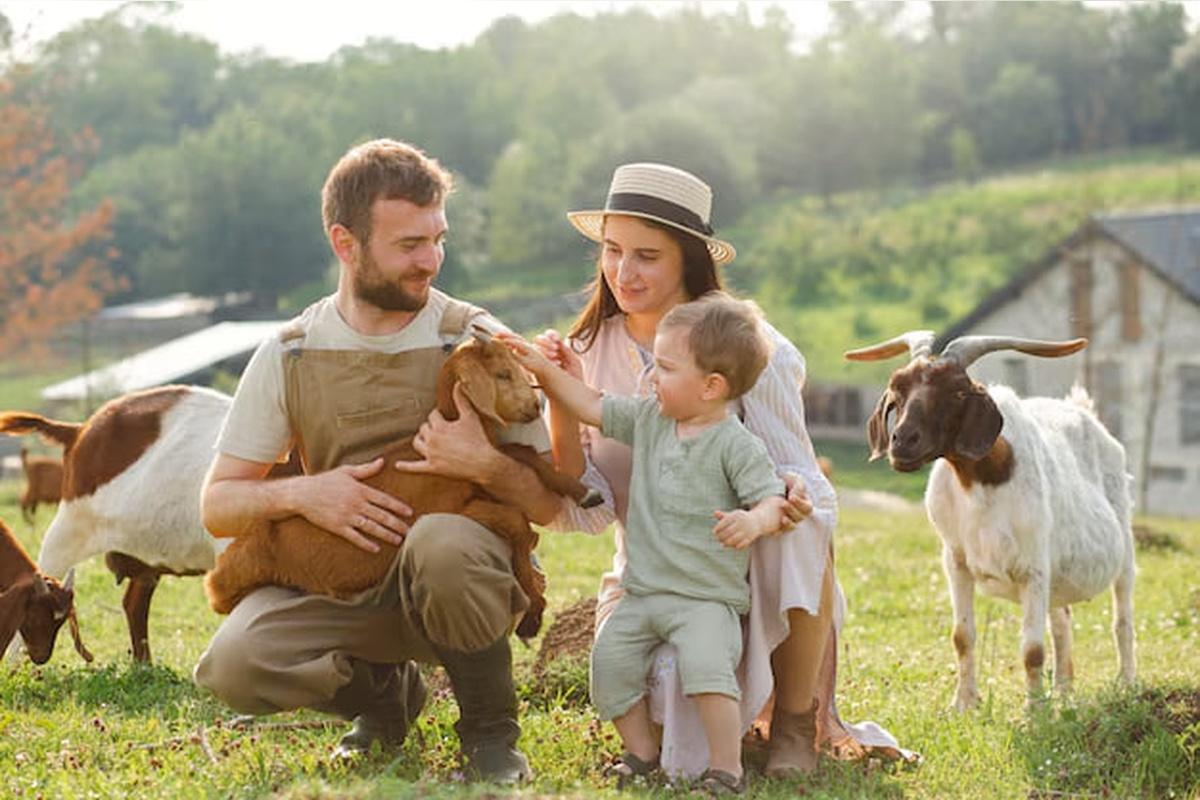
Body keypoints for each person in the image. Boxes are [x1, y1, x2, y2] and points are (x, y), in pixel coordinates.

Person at [193, 139, 562, 784]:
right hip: (341, 579)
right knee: (234, 664)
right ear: (346, 243)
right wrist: (304, 495)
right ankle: (382, 700)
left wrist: (486, 465)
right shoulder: (291, 354)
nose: (432, 262)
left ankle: (490, 733)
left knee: (443, 542)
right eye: (409, 246)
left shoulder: (474, 337)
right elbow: (218, 505)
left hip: (457, 582)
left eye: (437, 239)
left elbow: (554, 500)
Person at [537, 163, 912, 779]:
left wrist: (781, 500)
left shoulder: (751, 349)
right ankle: (670, 743)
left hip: (740, 567)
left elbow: (802, 484)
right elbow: (587, 506)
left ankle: (795, 721)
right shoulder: (587, 352)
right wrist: (560, 396)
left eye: (647, 256)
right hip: (654, 570)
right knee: (661, 696)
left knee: (802, 525)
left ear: (688, 259)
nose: (623, 273)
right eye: (611, 250)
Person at [504, 294, 789, 793]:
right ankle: (641, 754)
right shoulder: (649, 419)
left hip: (704, 599)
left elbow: (772, 499)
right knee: (608, 666)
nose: (651, 377)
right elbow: (590, 403)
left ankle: (727, 767)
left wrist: (754, 520)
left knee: (707, 670)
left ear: (710, 386)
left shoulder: (734, 443)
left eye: (664, 367)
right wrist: (543, 372)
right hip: (644, 593)